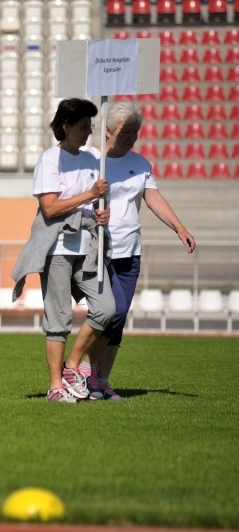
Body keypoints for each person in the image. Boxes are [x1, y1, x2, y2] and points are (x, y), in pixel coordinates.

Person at [81, 102, 195, 400]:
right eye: (125, 131)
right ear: (107, 131)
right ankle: (81, 369)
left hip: (130, 251)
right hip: (100, 249)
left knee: (119, 319)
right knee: (110, 312)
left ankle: (101, 381)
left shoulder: (141, 164)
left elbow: (153, 197)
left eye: (136, 131)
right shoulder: (91, 161)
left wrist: (179, 228)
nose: (131, 137)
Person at [11, 98, 115, 403]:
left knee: (106, 308)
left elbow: (95, 202)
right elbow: (50, 206)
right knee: (58, 318)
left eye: (90, 127)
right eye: (83, 127)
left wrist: (100, 212)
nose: (88, 132)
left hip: (88, 247)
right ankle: (55, 386)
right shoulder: (50, 160)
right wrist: (90, 195)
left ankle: (72, 365)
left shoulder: (93, 157)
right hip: (56, 248)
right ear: (66, 127)